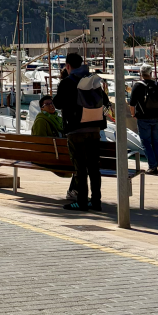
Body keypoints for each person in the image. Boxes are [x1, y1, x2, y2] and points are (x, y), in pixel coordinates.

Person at [64, 72, 111, 212]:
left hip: (76, 132)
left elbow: (59, 103)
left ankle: (81, 202)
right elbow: (107, 105)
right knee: (94, 168)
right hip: (94, 131)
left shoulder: (70, 85)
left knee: (81, 169)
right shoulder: (95, 87)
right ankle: (96, 201)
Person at [129, 65, 158, 175]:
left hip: (143, 118)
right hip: (157, 118)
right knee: (155, 141)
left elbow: (132, 104)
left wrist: (133, 114)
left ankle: (153, 166)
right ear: (151, 74)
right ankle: (155, 164)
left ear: (141, 74)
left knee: (145, 142)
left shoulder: (138, 86)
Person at [53, 51, 90, 132]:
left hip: (75, 128)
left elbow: (58, 104)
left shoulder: (66, 82)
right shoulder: (91, 79)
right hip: (94, 127)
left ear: (68, 66)